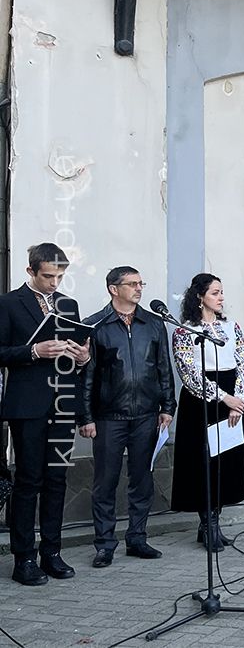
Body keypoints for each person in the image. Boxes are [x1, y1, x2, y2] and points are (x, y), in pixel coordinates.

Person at [0, 244, 91, 586]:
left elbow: (79, 355)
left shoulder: (69, 305)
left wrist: (82, 357)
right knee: (28, 482)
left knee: (56, 481)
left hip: (62, 405)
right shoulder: (9, 303)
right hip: (27, 405)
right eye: (48, 276)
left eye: (60, 276)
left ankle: (51, 552)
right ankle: (23, 558)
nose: (55, 283)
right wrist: (34, 351)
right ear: (31, 272)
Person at [80, 267, 176, 567]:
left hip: (146, 416)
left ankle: (137, 539)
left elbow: (164, 369)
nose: (138, 289)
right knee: (105, 483)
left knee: (142, 480)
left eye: (140, 283)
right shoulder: (95, 325)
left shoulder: (153, 324)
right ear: (113, 289)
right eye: (132, 284)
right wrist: (86, 417)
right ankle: (105, 545)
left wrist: (167, 407)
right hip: (109, 417)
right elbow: (86, 376)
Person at [170, 274, 244, 553]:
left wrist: (238, 399)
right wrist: (224, 397)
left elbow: (243, 361)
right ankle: (207, 524)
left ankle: (214, 522)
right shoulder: (186, 331)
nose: (221, 297)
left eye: (222, 292)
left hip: (231, 398)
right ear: (199, 296)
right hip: (201, 401)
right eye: (215, 293)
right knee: (203, 462)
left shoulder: (231, 327)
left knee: (225, 462)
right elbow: (189, 373)